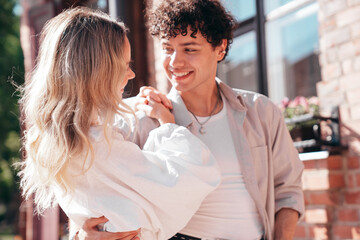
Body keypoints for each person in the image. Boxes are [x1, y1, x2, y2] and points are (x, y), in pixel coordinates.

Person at [79, 0, 305, 239]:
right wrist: (81, 235)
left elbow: (288, 190)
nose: (175, 62)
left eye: (189, 49)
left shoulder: (261, 112)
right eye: (167, 49)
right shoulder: (142, 119)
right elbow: (91, 191)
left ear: (220, 49)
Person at [17, 7, 222, 240]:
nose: (132, 75)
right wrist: (167, 125)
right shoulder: (98, 146)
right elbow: (188, 179)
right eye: (125, 65)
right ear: (98, 72)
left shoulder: (66, 141)